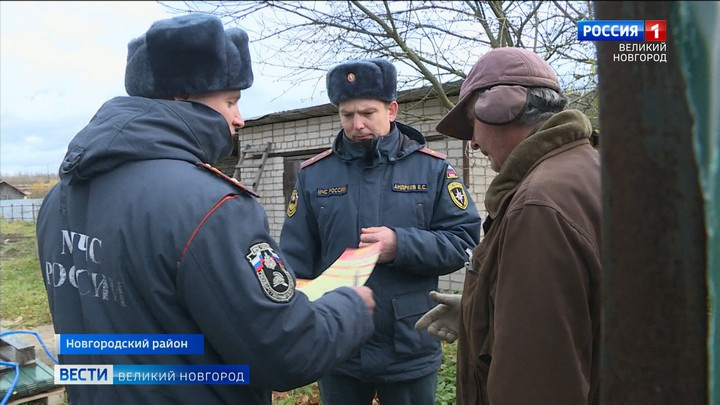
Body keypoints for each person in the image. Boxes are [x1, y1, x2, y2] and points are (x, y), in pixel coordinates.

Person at [35, 14, 376, 405]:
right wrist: (350, 306)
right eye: (231, 101)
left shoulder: (59, 196)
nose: (239, 118)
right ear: (183, 99)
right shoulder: (212, 206)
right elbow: (288, 354)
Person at [279, 58, 482, 404]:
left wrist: (400, 244)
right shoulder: (314, 175)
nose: (356, 125)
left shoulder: (432, 170)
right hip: (338, 343)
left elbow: (462, 241)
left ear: (391, 110)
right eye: (347, 115)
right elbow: (294, 260)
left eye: (367, 113)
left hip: (409, 345)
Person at [415, 46, 602, 404]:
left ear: (504, 107)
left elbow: (537, 382)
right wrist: (481, 309)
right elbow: (578, 313)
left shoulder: (536, 205)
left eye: (474, 122)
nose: (472, 143)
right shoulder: (586, 170)